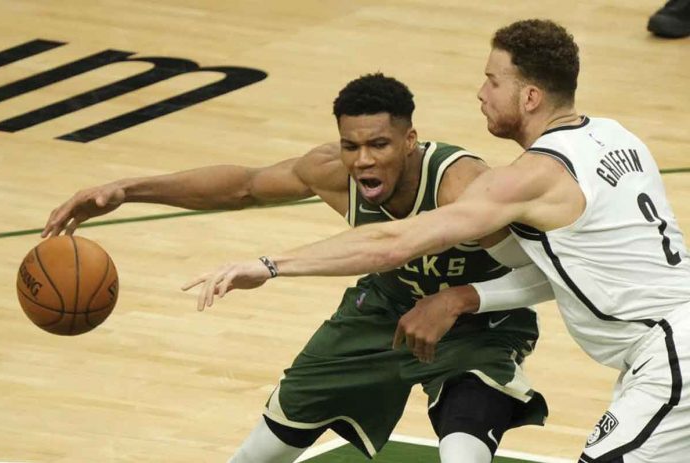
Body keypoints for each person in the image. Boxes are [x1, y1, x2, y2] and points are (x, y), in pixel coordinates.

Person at [187, 20, 690, 462]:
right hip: (664, 344)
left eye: (493, 81)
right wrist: (463, 296)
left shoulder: (527, 178)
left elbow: (394, 243)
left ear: (530, 97)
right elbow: (557, 274)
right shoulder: (616, 136)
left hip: (671, 354)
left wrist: (271, 265)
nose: (481, 92)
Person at [43, 74, 548, 462]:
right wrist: (126, 191)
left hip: (480, 323)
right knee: (257, 454)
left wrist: (457, 299)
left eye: (380, 144)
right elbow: (243, 185)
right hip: (383, 312)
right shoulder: (333, 171)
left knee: (463, 450)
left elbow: (546, 276)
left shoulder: (463, 185)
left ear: (410, 139)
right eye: (352, 146)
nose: (363, 160)